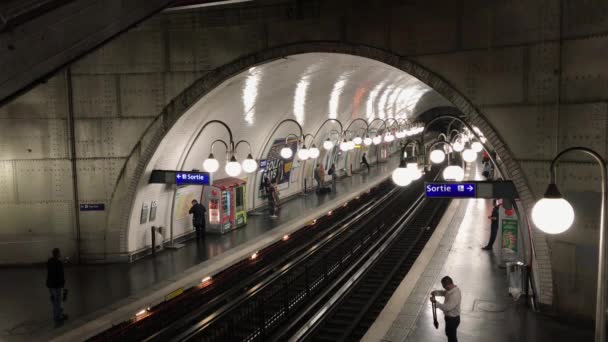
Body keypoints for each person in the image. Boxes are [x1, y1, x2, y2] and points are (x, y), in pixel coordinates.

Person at [431, 276, 461, 342]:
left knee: (452, 338)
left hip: (453, 320)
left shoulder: (455, 295)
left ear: (448, 285)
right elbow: (445, 293)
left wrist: (436, 303)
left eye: (444, 286)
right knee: (449, 335)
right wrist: (436, 292)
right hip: (449, 319)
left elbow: (447, 307)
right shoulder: (451, 290)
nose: (444, 288)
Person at [47, 248, 67, 323]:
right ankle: (58, 317)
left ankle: (57, 316)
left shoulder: (49, 261)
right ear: (58, 254)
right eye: (59, 253)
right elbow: (60, 275)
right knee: (59, 301)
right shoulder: (59, 263)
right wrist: (63, 285)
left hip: (50, 285)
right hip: (57, 285)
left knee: (55, 301)